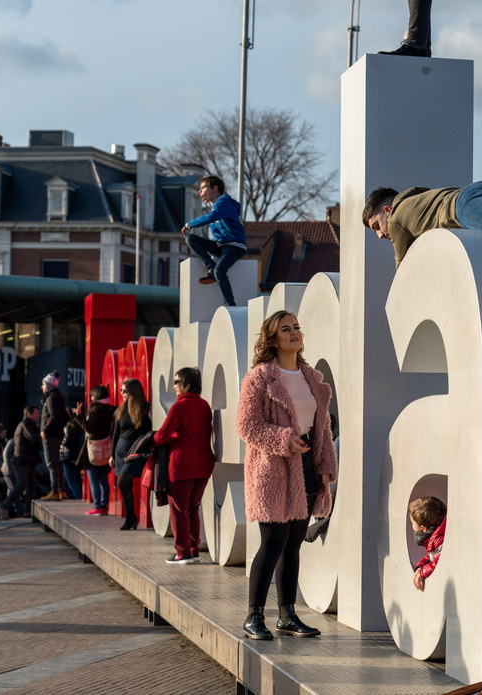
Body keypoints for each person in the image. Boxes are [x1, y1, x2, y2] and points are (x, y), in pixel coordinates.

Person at [237, 310, 338, 640]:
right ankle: (253, 616)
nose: (294, 332)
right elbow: (247, 425)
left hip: (306, 465)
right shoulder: (260, 378)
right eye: (285, 329)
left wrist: (326, 464)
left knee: (294, 544)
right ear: (272, 338)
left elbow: (322, 426)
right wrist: (282, 439)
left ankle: (287, 615)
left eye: (296, 327)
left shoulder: (311, 378)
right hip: (273, 470)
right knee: (272, 543)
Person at [154, 367, 216, 564]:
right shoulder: (205, 406)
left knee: (179, 509)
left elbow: (162, 435)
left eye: (177, 382)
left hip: (181, 465)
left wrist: (151, 440)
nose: (174, 386)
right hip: (204, 465)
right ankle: (193, 549)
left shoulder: (179, 407)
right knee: (193, 508)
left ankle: (182, 552)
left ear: (187, 384)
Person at [181, 175, 247, 307]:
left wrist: (190, 224)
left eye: (202, 188)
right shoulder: (217, 207)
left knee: (219, 271)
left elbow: (212, 216)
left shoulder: (224, 202)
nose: (199, 192)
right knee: (191, 238)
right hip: (221, 246)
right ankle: (210, 267)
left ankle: (231, 306)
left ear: (214, 188)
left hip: (234, 246)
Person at [111, 379, 152, 530]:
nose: (122, 393)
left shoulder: (146, 408)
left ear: (134, 391)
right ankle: (131, 517)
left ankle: (130, 517)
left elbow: (150, 430)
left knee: (123, 481)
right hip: (120, 452)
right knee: (125, 483)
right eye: (121, 390)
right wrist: (111, 455)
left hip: (137, 452)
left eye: (125, 391)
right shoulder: (120, 410)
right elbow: (115, 434)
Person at [74, 385, 116, 516]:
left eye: (92, 396)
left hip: (93, 448)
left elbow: (89, 428)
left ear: (96, 396)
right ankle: (104, 506)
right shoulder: (111, 410)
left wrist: (78, 416)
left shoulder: (95, 409)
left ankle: (97, 506)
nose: (91, 398)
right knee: (104, 479)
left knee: (93, 479)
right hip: (107, 447)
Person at [0, 405, 43, 519]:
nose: (39, 415)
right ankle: (4, 506)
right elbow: (34, 439)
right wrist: (39, 432)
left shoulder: (32, 425)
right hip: (22, 460)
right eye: (36, 413)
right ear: (29, 415)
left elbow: (39, 445)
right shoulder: (25, 425)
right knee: (21, 484)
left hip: (30, 460)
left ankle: (27, 511)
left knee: (31, 486)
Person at [40, 371, 69, 501]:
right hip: (57, 435)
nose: (41, 387)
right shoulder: (58, 398)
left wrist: (45, 430)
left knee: (51, 463)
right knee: (57, 464)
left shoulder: (51, 399)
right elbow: (65, 417)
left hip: (51, 436)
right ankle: (61, 490)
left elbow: (54, 416)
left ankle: (55, 491)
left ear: (48, 385)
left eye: (43, 384)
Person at [409, 496, 446, 592]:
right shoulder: (435, 538)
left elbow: (439, 561)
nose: (412, 527)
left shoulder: (439, 541)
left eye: (413, 523)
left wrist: (422, 573)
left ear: (423, 528)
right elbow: (430, 557)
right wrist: (419, 567)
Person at [58, 416, 85, 500]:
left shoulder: (68, 427)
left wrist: (60, 443)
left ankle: (79, 498)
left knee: (71, 481)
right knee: (70, 479)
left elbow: (67, 441)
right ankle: (69, 496)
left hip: (67, 456)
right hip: (75, 456)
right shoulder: (80, 428)